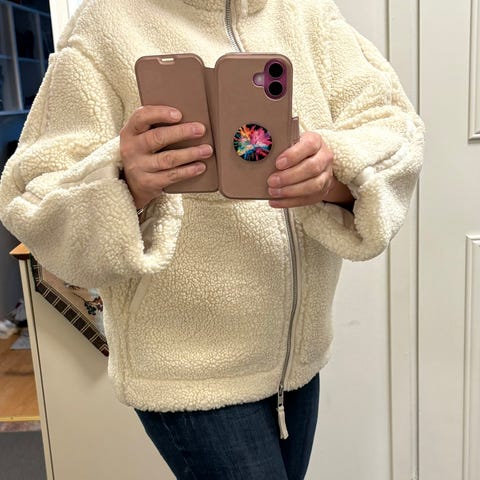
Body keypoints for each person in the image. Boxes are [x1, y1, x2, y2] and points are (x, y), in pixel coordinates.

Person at [0, 0, 424, 478]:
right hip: (187, 369)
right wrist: (122, 178)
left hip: (298, 363)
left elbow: (395, 127)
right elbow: (32, 192)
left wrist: (332, 174)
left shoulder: (307, 13)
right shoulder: (107, 22)